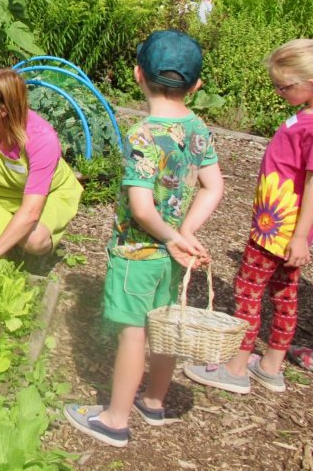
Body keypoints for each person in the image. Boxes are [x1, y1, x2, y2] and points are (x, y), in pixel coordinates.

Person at [65, 30, 223, 448]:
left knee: (133, 332)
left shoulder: (142, 135)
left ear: (137, 74)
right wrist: (186, 233)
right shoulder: (197, 127)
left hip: (138, 253)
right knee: (165, 327)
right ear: (196, 86)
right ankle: (153, 400)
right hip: (175, 255)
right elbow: (213, 186)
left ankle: (115, 420)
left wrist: (171, 236)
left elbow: (141, 208)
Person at [184, 39, 313, 395]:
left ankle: (237, 367)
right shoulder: (305, 118)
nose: (278, 92)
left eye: (284, 86)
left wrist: (299, 236)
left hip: (279, 228)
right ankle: (270, 365)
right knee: (284, 293)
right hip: (281, 225)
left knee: (248, 290)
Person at [0, 69, 82, 262]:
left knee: (33, 240)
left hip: (45, 197)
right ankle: (7, 235)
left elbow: (31, 210)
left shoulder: (42, 138)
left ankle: (32, 253)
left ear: (3, 110)